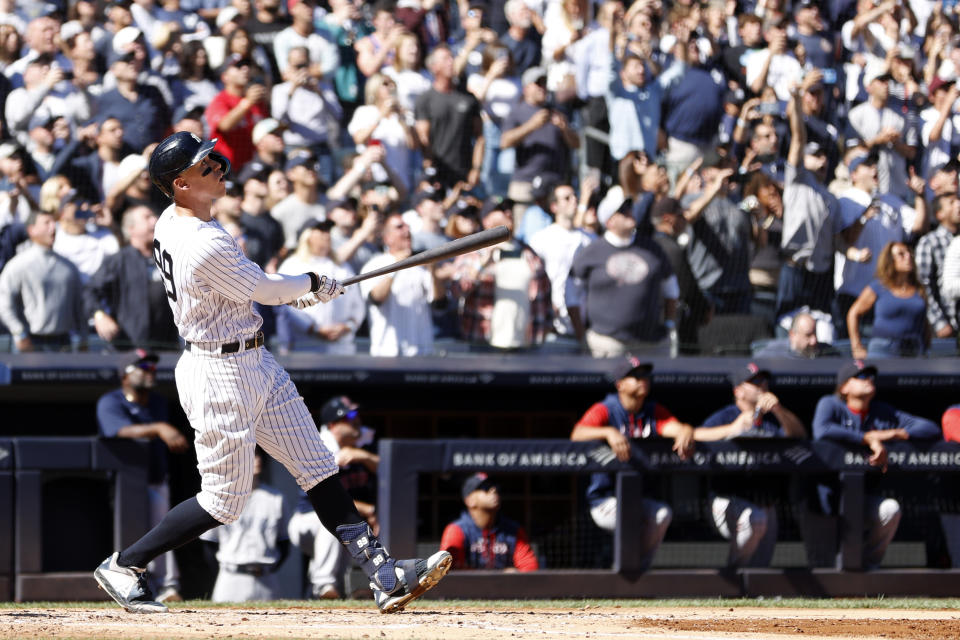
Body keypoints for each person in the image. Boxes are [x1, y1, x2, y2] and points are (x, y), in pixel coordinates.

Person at [92, 131, 451, 615]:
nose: (218, 166)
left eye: (214, 158)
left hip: (253, 358)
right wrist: (312, 282)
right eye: (205, 166)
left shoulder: (173, 221)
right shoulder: (200, 240)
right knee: (224, 500)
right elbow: (260, 287)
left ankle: (383, 574)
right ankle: (125, 564)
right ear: (180, 183)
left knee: (318, 466)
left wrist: (295, 291)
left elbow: (248, 288)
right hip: (218, 370)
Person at [812, 361, 941, 568]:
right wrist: (867, 438)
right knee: (824, 565)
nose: (869, 380)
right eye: (861, 376)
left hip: (863, 499)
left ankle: (869, 566)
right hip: (826, 500)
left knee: (890, 509)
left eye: (871, 377)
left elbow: (930, 428)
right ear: (844, 387)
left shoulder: (882, 412)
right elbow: (822, 430)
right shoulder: (831, 404)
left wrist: (896, 433)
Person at [570, 358, 694, 572]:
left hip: (639, 497)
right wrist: (607, 431)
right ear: (620, 384)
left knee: (662, 514)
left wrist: (686, 431)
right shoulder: (606, 408)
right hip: (604, 500)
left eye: (645, 376)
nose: (642, 380)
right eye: (635, 376)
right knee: (632, 516)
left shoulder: (652, 410)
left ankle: (637, 574)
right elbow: (577, 435)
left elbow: (675, 427)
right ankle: (619, 569)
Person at [96, 350, 188, 602]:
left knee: (164, 528)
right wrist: (158, 428)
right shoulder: (111, 401)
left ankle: (167, 587)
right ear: (125, 375)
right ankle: (129, 583)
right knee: (132, 535)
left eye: (152, 367)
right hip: (126, 484)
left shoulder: (156, 402)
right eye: (143, 366)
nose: (150, 371)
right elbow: (118, 431)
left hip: (156, 478)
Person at [694, 363, 806, 568]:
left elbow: (799, 436)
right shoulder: (727, 415)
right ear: (738, 391)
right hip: (726, 497)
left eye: (764, 381)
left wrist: (779, 410)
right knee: (755, 519)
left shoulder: (772, 418)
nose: (762, 386)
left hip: (764, 500)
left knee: (761, 566)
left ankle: (749, 595)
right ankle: (732, 579)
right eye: (754, 382)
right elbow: (696, 435)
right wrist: (733, 428)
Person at [287, 396, 380, 599]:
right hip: (307, 520)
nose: (357, 420)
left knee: (341, 546)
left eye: (357, 414)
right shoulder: (321, 445)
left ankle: (327, 593)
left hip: (344, 517)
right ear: (333, 424)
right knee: (333, 523)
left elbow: (391, 469)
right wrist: (368, 510)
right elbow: (329, 498)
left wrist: (364, 456)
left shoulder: (361, 440)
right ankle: (323, 585)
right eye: (350, 416)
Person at [569, 186, 677, 357]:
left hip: (651, 344)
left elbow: (671, 289)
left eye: (629, 208)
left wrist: (670, 324)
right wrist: (581, 334)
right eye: (622, 210)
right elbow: (571, 296)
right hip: (606, 345)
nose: (629, 212)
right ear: (609, 221)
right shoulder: (591, 252)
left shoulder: (652, 249)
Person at [450, 197, 552, 352]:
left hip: (525, 345)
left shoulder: (529, 253)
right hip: (483, 344)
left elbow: (545, 295)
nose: (508, 213)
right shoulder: (473, 253)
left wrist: (545, 328)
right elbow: (457, 290)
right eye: (500, 209)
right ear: (486, 220)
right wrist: (481, 265)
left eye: (509, 209)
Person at [200, 447, 291, 602]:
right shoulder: (221, 497)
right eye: (253, 456)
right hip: (231, 577)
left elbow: (284, 543)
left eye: (260, 456)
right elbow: (209, 544)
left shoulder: (275, 498)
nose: (258, 460)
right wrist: (224, 570)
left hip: (266, 577)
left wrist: (270, 567)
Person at [85, 205, 180, 351]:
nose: (154, 220)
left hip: (167, 348)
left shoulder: (169, 258)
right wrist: (99, 315)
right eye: (147, 218)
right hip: (130, 349)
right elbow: (90, 291)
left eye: (154, 216)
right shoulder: (119, 261)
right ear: (131, 229)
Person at [0, 209, 85, 352]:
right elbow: (4, 303)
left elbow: (79, 307)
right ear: (31, 230)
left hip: (63, 343)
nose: (53, 228)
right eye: (46, 223)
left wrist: (84, 338)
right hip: (31, 343)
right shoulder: (19, 265)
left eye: (54, 223)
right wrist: (19, 333)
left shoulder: (68, 268)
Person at [360, 211, 438, 356]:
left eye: (407, 227)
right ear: (387, 238)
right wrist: (396, 266)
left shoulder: (421, 265)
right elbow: (376, 298)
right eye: (399, 227)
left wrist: (433, 270)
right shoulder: (374, 265)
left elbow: (439, 303)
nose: (407, 231)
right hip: (387, 353)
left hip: (422, 352)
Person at [414, 45, 484, 191]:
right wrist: (429, 169)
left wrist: (476, 168)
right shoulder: (426, 100)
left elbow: (479, 137)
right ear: (434, 67)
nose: (451, 62)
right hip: (438, 173)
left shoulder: (468, 98)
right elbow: (423, 139)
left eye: (451, 57)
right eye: (445, 59)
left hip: (465, 172)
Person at [440, 473, 539, 572]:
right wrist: (500, 575)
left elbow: (530, 570)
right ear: (470, 500)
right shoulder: (457, 530)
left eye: (495, 487)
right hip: (467, 587)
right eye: (485, 488)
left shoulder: (513, 529)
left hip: (507, 587)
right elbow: (449, 571)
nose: (493, 490)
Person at [847, 241, 928, 358]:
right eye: (901, 254)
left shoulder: (919, 290)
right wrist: (856, 347)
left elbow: (924, 322)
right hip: (883, 350)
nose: (908, 257)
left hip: (913, 349)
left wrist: (926, 348)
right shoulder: (879, 287)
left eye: (909, 253)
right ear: (890, 260)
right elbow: (853, 313)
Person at [915, 193, 960, 339]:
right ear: (939, 214)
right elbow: (923, 285)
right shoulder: (929, 242)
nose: (958, 205)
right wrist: (939, 322)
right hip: (946, 327)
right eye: (952, 202)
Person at [753, 311, 838, 358]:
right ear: (792, 335)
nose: (814, 341)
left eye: (815, 334)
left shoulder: (827, 352)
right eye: (808, 335)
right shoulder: (774, 352)